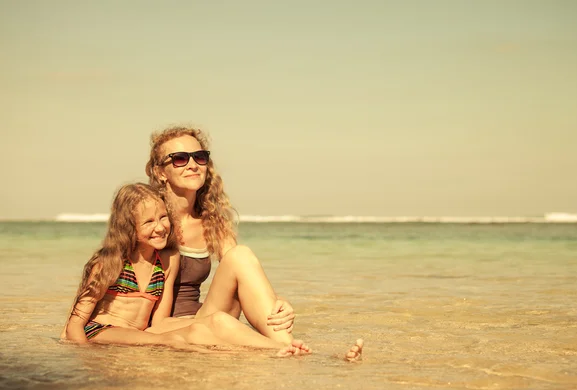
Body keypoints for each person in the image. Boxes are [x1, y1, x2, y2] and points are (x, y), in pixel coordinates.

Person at [144, 126, 363, 360]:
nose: (192, 165)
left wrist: (278, 303)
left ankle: (294, 350)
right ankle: (308, 356)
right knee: (229, 299)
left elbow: (242, 271)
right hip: (167, 327)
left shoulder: (211, 219)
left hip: (206, 318)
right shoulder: (151, 221)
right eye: (179, 159)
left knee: (240, 255)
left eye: (199, 157)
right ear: (160, 172)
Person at [61, 183, 313, 357]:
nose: (159, 227)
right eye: (148, 221)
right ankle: (272, 353)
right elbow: (75, 325)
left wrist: (205, 323)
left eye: (163, 218)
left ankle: (277, 348)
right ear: (128, 226)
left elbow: (159, 322)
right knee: (176, 340)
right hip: (102, 332)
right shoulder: (108, 263)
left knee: (213, 323)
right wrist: (85, 361)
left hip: (144, 332)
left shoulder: (166, 262)